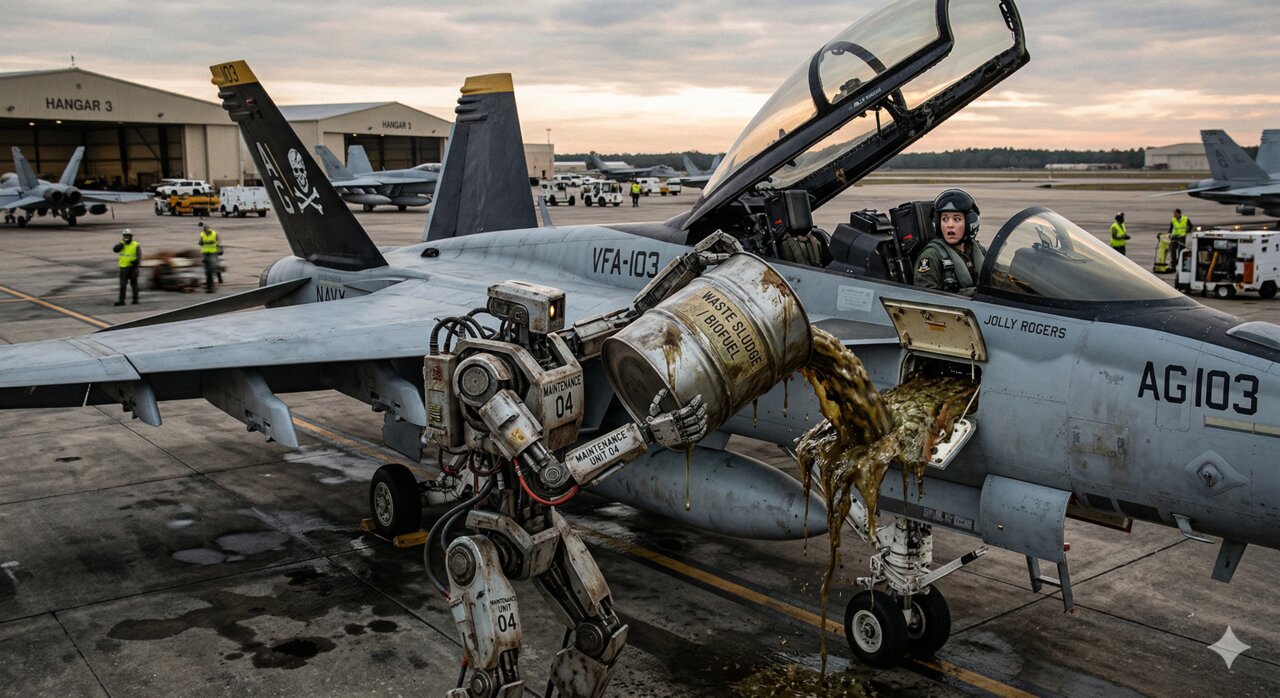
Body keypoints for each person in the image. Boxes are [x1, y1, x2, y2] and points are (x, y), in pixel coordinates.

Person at [913, 188, 986, 296]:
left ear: (969, 222)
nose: (950, 225)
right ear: (938, 224)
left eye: (957, 219)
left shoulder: (977, 249)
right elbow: (926, 299)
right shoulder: (931, 256)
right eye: (945, 219)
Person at [113, 229, 140, 305]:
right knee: (122, 285)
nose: (126, 237)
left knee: (134, 284)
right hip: (123, 268)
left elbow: (139, 256)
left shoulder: (136, 245)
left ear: (131, 236)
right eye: (125, 236)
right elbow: (115, 250)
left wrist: (136, 263)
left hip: (133, 268)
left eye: (127, 236)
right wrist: (120, 246)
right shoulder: (121, 244)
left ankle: (135, 299)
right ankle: (121, 300)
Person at [198, 221, 221, 292]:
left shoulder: (204, 235)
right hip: (212, 252)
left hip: (208, 253)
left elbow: (200, 243)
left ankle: (211, 282)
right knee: (214, 266)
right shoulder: (214, 234)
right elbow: (218, 242)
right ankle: (218, 278)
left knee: (210, 268)